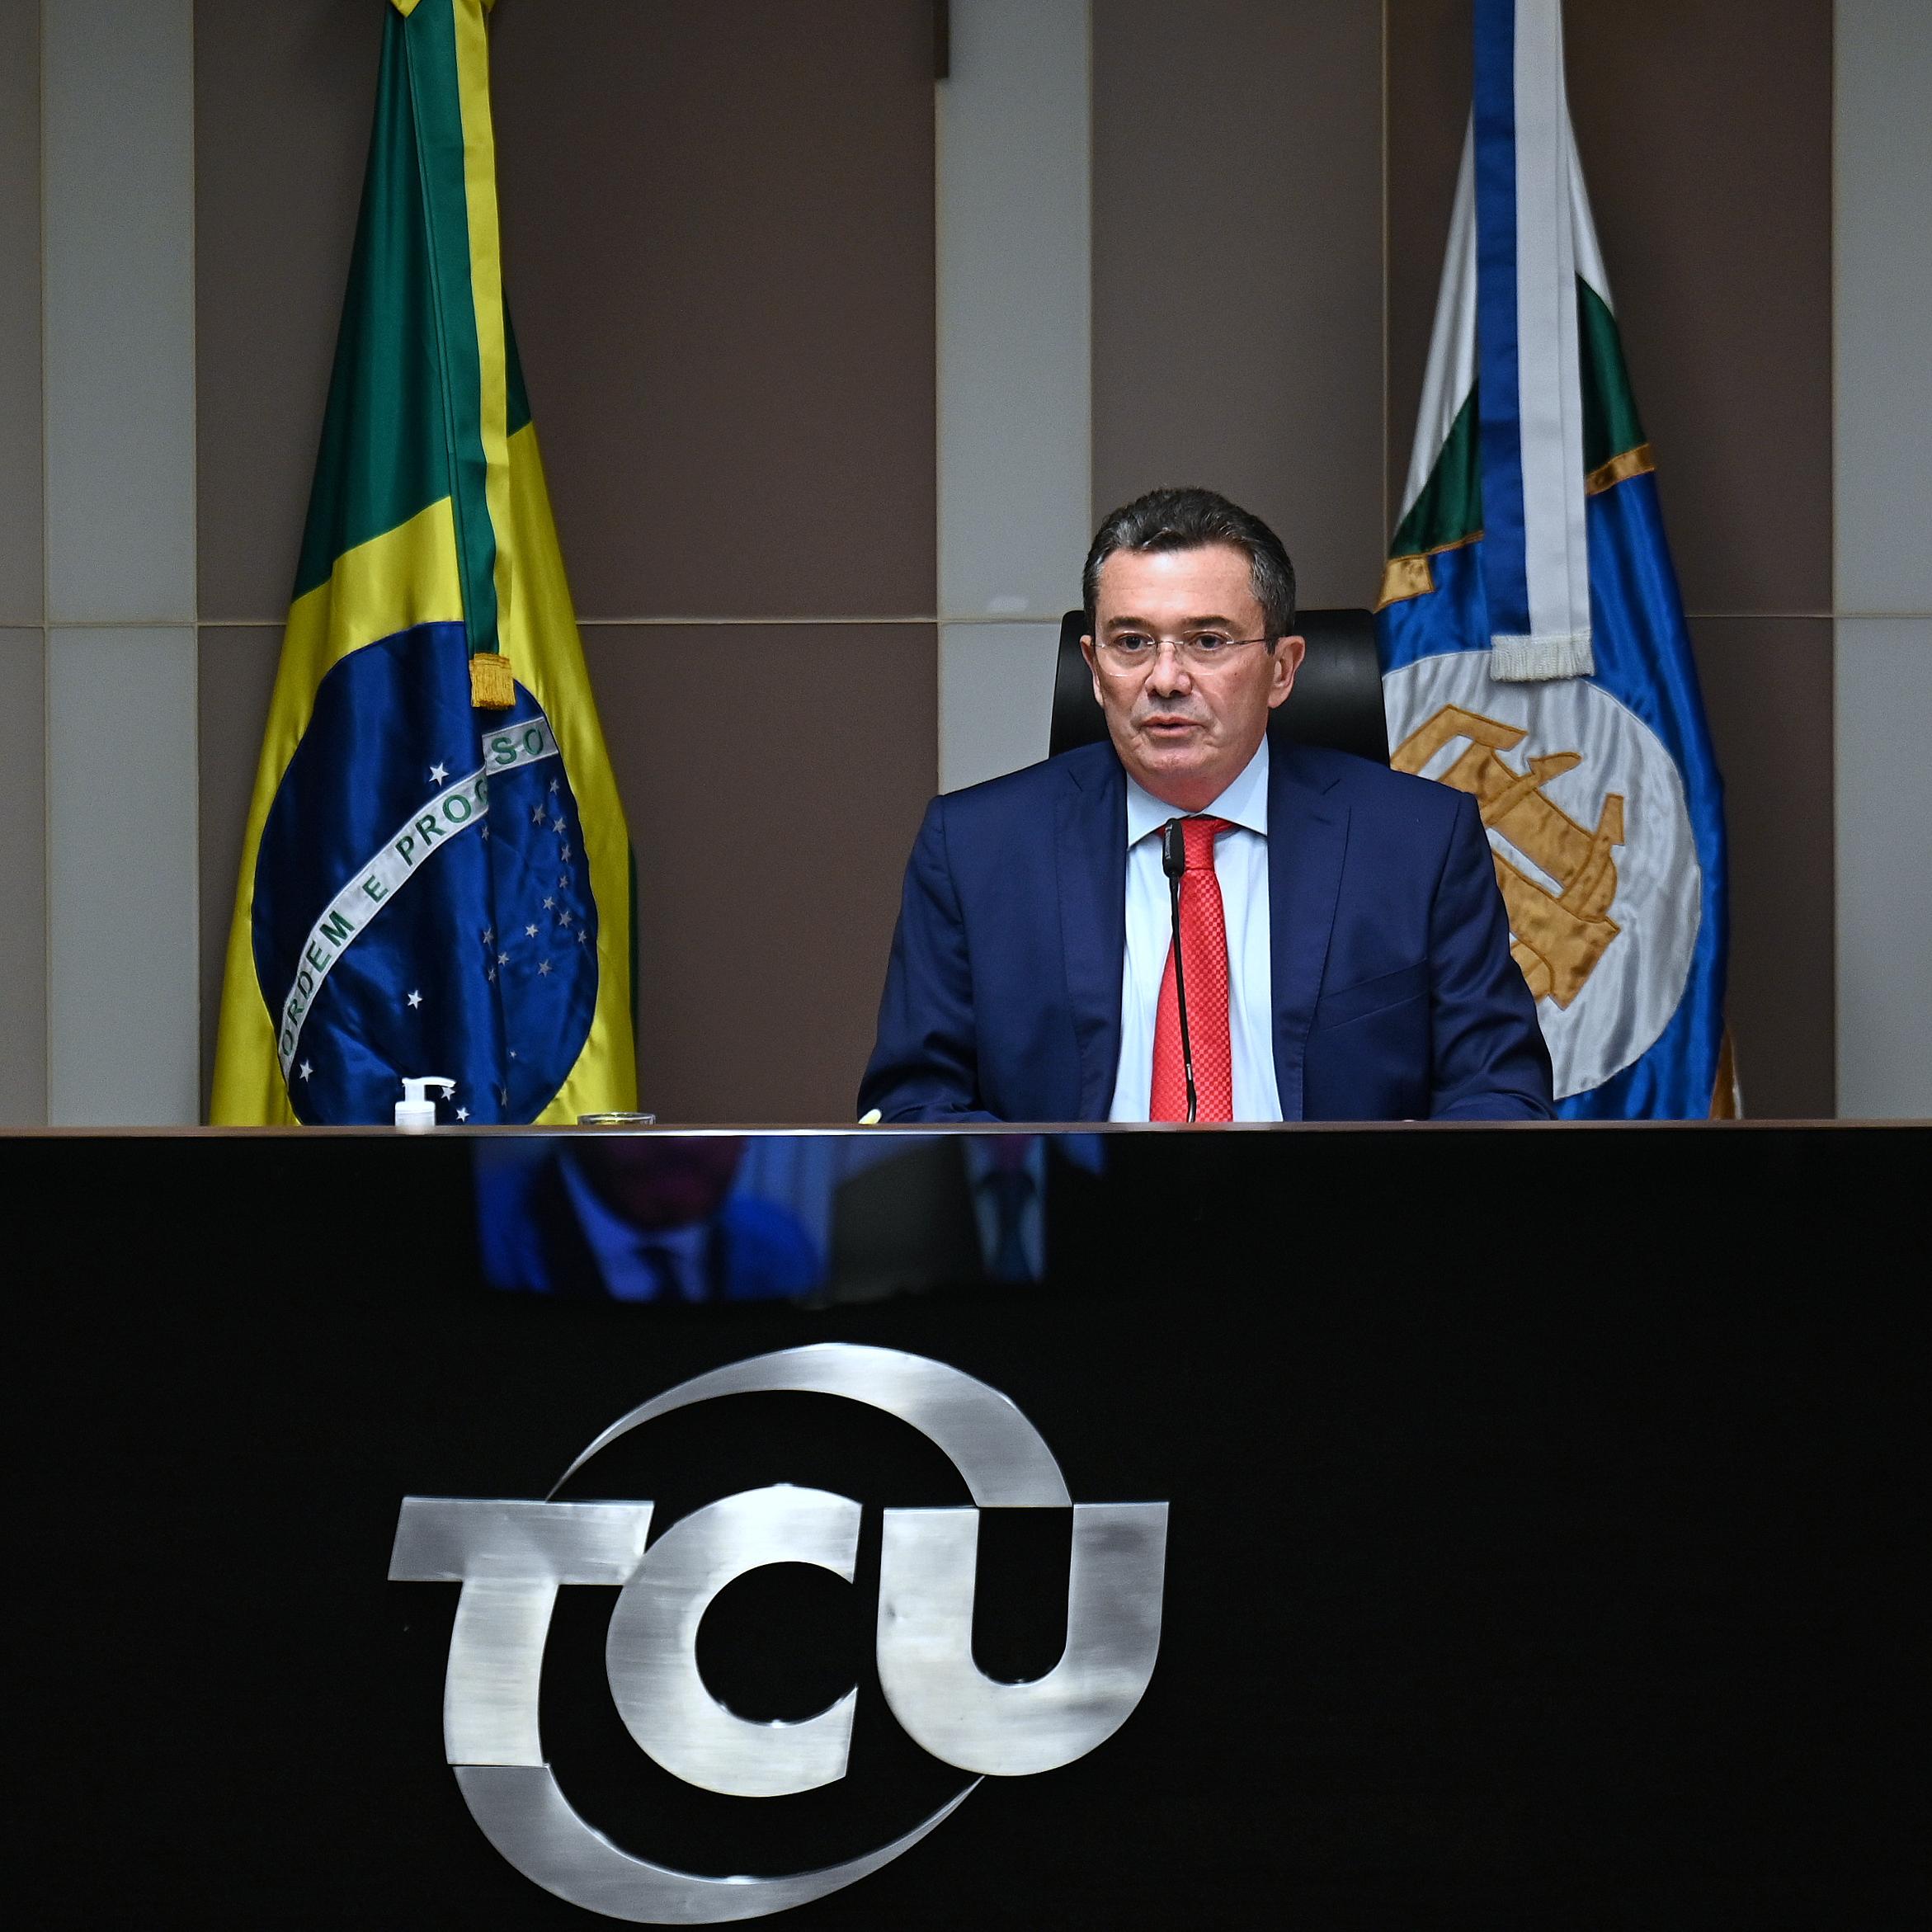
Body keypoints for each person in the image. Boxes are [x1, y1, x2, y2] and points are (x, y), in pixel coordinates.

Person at [860, 487, 1553, 1123]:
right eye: (1131, 643)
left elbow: (1499, 1096)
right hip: (1077, 1244)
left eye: (1208, 641)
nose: (1166, 678)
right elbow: (918, 1104)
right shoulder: (977, 849)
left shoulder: (1418, 843)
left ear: (1282, 670)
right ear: (1094, 670)